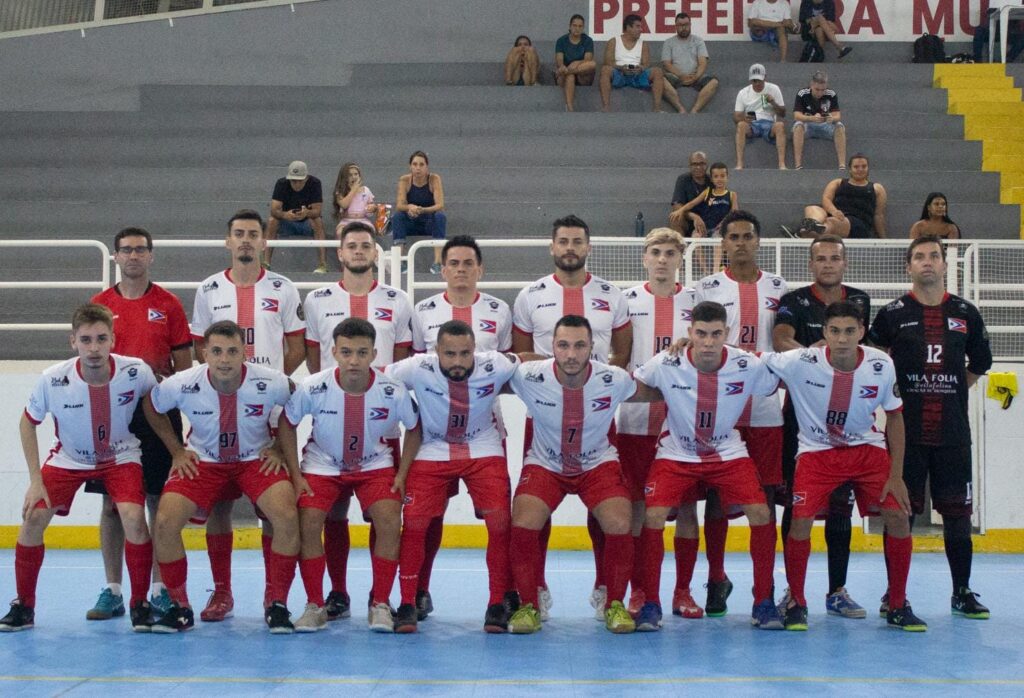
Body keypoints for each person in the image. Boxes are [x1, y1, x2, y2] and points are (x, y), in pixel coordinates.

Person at [0, 304, 167, 633]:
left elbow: (159, 407)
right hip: (70, 459)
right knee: (33, 517)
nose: (94, 348)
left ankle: (139, 604)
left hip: (121, 456)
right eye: (86, 340)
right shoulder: (53, 379)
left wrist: (178, 450)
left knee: (133, 517)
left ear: (113, 340)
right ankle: (24, 606)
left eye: (101, 339)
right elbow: (27, 423)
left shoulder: (137, 372)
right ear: (72, 341)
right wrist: (35, 481)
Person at [764, 301, 923, 631]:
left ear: (862, 332)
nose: (842, 338)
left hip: (867, 450)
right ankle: (796, 601)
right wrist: (690, 347)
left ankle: (897, 604)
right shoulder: (801, 360)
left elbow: (895, 417)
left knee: (898, 516)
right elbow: (748, 359)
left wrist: (896, 475)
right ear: (824, 332)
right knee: (800, 521)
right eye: (834, 331)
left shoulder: (881, 364)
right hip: (817, 452)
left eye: (850, 331)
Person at [629, 300, 784, 632]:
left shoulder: (747, 363)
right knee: (653, 516)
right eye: (701, 334)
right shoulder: (667, 361)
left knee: (761, 512)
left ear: (727, 333)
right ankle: (651, 603)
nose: (709, 342)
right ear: (690, 332)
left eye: (716, 334)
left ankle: (763, 602)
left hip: (727, 450)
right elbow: (634, 386)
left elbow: (780, 378)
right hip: (676, 453)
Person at [512, 214, 632, 620]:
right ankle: (535, 590)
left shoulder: (612, 295)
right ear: (552, 246)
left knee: (611, 513)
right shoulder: (530, 296)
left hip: (597, 419)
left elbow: (621, 354)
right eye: (562, 241)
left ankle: (607, 590)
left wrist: (596, 383)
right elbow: (521, 357)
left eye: (577, 241)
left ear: (588, 247)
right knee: (532, 511)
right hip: (545, 422)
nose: (570, 248)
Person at [144, 320, 299, 633]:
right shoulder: (184, 383)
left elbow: (297, 403)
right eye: (216, 351)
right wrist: (177, 451)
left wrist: (279, 448)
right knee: (164, 523)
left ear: (245, 353)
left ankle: (277, 602)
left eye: (232, 351)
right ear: (204, 354)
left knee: (286, 516)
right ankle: (181, 607)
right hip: (204, 462)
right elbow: (151, 405)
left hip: (254, 460)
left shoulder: (271, 381)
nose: (224, 359)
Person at [868, 236, 993, 620]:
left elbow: (980, 363)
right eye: (919, 256)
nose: (927, 262)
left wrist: (953, 388)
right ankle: (895, 594)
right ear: (908, 266)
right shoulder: (891, 314)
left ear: (944, 265)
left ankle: (961, 591)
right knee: (900, 514)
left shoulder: (966, 312)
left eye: (934, 256)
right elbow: (872, 364)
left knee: (958, 514)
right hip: (905, 435)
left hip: (953, 435)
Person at [190, 209, 305, 623]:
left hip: (268, 417)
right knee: (219, 508)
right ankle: (222, 593)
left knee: (275, 508)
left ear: (263, 241)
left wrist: (265, 385)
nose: (245, 240)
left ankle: (274, 596)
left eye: (252, 234)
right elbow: (198, 347)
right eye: (238, 233)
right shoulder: (208, 289)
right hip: (218, 411)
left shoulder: (283, 288)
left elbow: (297, 348)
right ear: (228, 241)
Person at [278, 318, 421, 633]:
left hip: (374, 465)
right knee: (309, 523)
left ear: (374, 354)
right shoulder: (313, 386)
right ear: (333, 353)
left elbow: (415, 428)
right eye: (346, 352)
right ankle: (315, 605)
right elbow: (286, 424)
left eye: (361, 352)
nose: (353, 360)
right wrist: (296, 474)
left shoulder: (392, 390)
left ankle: (380, 604)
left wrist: (402, 474)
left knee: (389, 520)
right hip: (322, 464)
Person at [302, 220, 413, 622]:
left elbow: (400, 362)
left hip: (382, 428)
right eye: (352, 245)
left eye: (366, 245)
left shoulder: (398, 300)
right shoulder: (317, 299)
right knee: (332, 514)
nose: (359, 251)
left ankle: (379, 599)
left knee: (386, 515)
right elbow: (314, 361)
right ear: (340, 252)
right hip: (331, 425)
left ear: (375, 253)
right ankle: (336, 593)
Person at [506, 316, 639, 634]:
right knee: (522, 521)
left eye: (580, 346)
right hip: (546, 463)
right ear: (551, 347)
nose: (571, 354)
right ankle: (529, 605)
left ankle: (614, 603)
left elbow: (660, 388)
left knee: (620, 521)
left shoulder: (614, 379)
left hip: (597, 464)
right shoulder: (529, 375)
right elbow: (482, 375)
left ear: (592, 347)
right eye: (563, 345)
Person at [387, 321, 521, 633]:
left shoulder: (496, 364)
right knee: (415, 524)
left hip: (483, 447)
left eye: (465, 353)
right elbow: (376, 381)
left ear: (476, 350)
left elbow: (530, 363)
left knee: (500, 523)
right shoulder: (416, 367)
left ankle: (496, 603)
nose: (458, 361)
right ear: (436, 352)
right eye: (449, 354)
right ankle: (407, 602)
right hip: (432, 447)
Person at [86, 227, 192, 621]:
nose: (133, 256)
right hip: (112, 416)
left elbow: (185, 368)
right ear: (116, 256)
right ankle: (113, 590)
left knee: (158, 502)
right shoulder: (100, 305)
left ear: (151, 255)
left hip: (159, 414)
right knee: (112, 505)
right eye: (126, 250)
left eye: (140, 249)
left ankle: (160, 590)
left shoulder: (169, 304)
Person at [688, 210, 787, 617]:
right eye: (734, 237)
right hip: (721, 409)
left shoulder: (779, 287)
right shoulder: (706, 288)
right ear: (724, 243)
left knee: (764, 498)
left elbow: (783, 343)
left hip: (764, 411)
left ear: (758, 241)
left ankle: (765, 590)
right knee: (715, 497)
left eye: (748, 236)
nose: (741, 243)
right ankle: (716, 579)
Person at [409, 235, 513, 618]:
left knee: (499, 520)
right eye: (453, 263)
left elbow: (510, 369)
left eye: (469, 263)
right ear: (443, 269)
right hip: (433, 435)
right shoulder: (423, 311)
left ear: (480, 269)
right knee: (427, 518)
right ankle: (418, 591)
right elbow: (414, 370)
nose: (461, 269)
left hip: (485, 433)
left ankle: (502, 596)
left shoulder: (500, 310)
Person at [773, 235, 871, 618]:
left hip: (849, 420)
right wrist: (819, 358)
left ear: (844, 263)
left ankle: (837, 590)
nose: (828, 264)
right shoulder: (794, 300)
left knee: (841, 507)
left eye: (834, 258)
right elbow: (781, 340)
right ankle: (792, 591)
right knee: (794, 505)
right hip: (801, 420)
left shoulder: (860, 300)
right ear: (811, 264)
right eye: (821, 258)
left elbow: (867, 348)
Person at [617, 228, 696, 617]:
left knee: (687, 509)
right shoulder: (626, 302)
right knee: (636, 507)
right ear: (644, 257)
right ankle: (639, 591)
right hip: (635, 421)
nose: (663, 259)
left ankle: (683, 591)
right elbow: (617, 356)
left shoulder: (697, 302)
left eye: (670, 252)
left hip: (683, 424)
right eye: (656, 252)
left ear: (680, 258)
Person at [599, 13, 674, 113]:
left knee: (658, 71)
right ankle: (606, 107)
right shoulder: (613, 41)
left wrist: (641, 68)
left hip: (637, 75)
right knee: (605, 70)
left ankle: (657, 108)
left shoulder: (644, 44)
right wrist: (621, 68)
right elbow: (607, 62)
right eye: (637, 26)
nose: (641, 29)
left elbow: (646, 64)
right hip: (619, 73)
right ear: (628, 27)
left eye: (641, 27)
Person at [802, 154, 888, 238]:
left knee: (832, 222)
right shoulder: (837, 183)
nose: (860, 169)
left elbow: (878, 215)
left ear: (868, 168)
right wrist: (834, 211)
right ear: (850, 169)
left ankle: (808, 232)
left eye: (864, 166)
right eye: (856, 167)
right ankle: (813, 228)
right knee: (812, 208)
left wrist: (883, 239)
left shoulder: (877, 188)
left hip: (858, 224)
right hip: (836, 215)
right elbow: (826, 199)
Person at [265, 160, 327, 273]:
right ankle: (266, 263)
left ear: (306, 178)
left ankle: (322, 264)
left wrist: (306, 213)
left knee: (317, 221)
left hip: (307, 223)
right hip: (286, 222)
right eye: (293, 181)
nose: (297, 184)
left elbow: (317, 211)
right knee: (272, 220)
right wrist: (285, 215)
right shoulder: (281, 184)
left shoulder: (315, 183)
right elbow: (274, 210)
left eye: (300, 181)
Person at [394, 150, 447, 274]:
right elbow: (400, 205)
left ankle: (438, 262)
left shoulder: (434, 179)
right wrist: (409, 207)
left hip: (429, 223)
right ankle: (401, 260)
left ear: (427, 167)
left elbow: (440, 205)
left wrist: (422, 210)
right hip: (411, 222)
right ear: (410, 166)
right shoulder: (404, 180)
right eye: (415, 164)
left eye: (421, 164)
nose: (418, 168)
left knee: (440, 216)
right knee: (397, 217)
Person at [660, 12, 719, 114]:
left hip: (695, 76)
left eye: (686, 25)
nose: (684, 28)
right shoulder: (668, 42)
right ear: (676, 26)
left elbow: (703, 62)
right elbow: (666, 64)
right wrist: (681, 75)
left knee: (714, 82)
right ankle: (680, 109)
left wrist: (695, 77)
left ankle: (695, 110)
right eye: (680, 25)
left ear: (690, 25)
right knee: (659, 80)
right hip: (676, 76)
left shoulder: (698, 41)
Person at [734, 63, 787, 170]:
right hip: (752, 122)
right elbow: (736, 117)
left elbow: (783, 113)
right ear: (750, 80)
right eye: (754, 81)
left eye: (759, 80)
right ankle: (739, 164)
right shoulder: (743, 93)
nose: (757, 83)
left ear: (765, 78)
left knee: (780, 125)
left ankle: (782, 164)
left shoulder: (774, 88)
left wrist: (773, 103)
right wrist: (744, 119)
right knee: (741, 125)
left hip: (769, 121)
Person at [792, 71, 846, 170]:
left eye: (823, 90)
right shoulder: (802, 93)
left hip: (825, 124)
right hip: (808, 125)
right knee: (798, 125)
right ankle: (798, 165)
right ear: (811, 85)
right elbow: (796, 115)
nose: (820, 93)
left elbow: (838, 115)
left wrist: (831, 118)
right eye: (817, 89)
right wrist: (811, 118)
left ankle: (842, 165)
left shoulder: (831, 94)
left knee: (840, 126)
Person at [554, 14, 597, 112]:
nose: (577, 28)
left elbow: (588, 59)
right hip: (564, 75)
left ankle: (569, 71)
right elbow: (559, 60)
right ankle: (569, 107)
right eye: (574, 25)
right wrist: (562, 67)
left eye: (580, 26)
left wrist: (575, 63)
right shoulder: (561, 41)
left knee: (592, 64)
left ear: (583, 28)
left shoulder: (588, 40)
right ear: (569, 26)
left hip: (582, 75)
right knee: (570, 76)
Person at [668, 151, 709, 236]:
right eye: (694, 164)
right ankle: (679, 244)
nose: (698, 167)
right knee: (675, 217)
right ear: (690, 166)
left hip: (708, 221)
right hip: (688, 221)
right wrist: (694, 216)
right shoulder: (683, 179)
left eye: (702, 164)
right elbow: (677, 206)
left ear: (707, 165)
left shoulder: (713, 180)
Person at [332, 162, 377, 232]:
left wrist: (372, 208)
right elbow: (344, 205)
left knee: (371, 231)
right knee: (340, 232)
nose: (354, 177)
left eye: (356, 174)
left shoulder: (365, 190)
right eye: (350, 175)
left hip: (363, 220)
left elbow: (371, 205)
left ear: (359, 176)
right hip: (346, 221)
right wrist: (354, 189)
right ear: (344, 178)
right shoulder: (340, 191)